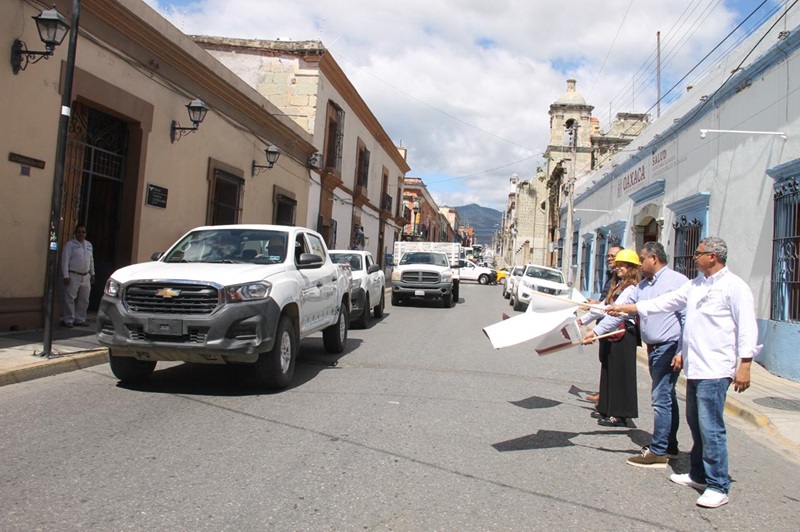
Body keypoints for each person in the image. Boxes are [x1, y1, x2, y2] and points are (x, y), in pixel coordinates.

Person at [609, 236, 761, 509]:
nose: (695, 258)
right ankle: (699, 474)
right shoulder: (695, 285)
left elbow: (747, 326)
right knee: (696, 424)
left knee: (711, 427)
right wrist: (627, 307)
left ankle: (718, 485)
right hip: (696, 367)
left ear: (713, 257)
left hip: (716, 368)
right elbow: (666, 303)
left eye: (699, 253)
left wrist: (745, 363)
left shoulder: (734, 286)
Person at [585, 242, 688, 467]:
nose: (640, 263)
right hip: (654, 348)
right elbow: (618, 313)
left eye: (642, 259)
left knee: (661, 397)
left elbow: (686, 318)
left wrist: (681, 350)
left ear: (654, 258)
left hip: (669, 347)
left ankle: (659, 450)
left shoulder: (677, 282)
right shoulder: (643, 286)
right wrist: (595, 332)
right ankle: (670, 445)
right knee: (667, 397)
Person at [578, 248, 641, 427]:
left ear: (632, 268)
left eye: (623, 266)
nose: (618, 268)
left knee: (621, 374)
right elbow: (604, 307)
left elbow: (618, 312)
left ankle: (621, 414)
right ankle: (607, 407)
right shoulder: (618, 285)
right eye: (618, 265)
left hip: (623, 333)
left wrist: (596, 332)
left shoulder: (631, 288)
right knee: (608, 370)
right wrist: (582, 321)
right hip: (611, 332)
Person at [584, 244, 622, 405]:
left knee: (612, 363)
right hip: (603, 321)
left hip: (613, 326)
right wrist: (597, 303)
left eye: (613, 256)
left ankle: (608, 398)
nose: (609, 259)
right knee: (604, 360)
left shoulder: (624, 280)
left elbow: (616, 304)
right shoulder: (612, 275)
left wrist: (597, 306)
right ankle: (604, 393)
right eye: (608, 256)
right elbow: (607, 300)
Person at [60, 225, 95, 328]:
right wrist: (65, 275)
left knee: (84, 299)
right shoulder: (70, 245)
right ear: (75, 233)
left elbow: (91, 260)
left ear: (85, 234)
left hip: (85, 276)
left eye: (83, 232)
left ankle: (80, 319)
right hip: (73, 275)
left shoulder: (89, 245)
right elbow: (65, 260)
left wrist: (93, 273)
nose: (81, 234)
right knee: (70, 298)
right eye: (79, 232)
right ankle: (68, 320)